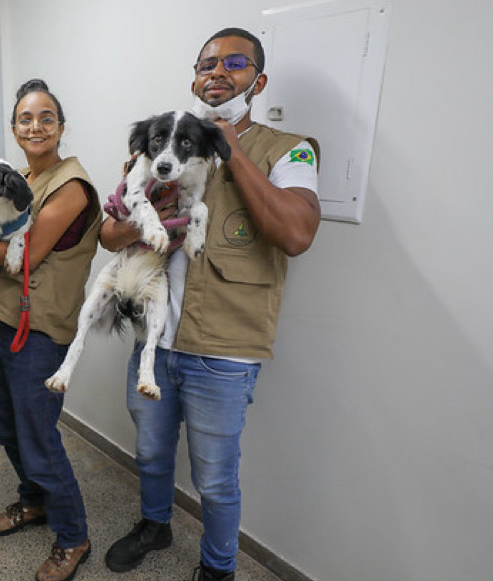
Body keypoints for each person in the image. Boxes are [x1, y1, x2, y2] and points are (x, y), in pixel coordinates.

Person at [99, 28, 320, 581]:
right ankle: (155, 524)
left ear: (259, 80)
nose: (217, 72)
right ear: (193, 78)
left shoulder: (289, 148)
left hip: (222, 352)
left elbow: (295, 233)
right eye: (206, 64)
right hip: (155, 341)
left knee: (215, 478)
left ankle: (218, 567)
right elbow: (107, 233)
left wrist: (229, 147)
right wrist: (146, 217)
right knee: (149, 454)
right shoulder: (165, 145)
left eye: (235, 62)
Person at [0, 78, 102, 581]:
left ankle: (73, 535)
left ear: (61, 126)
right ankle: (33, 501)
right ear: (14, 128)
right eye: (25, 119)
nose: (35, 126)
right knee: (8, 428)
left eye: (46, 117)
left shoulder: (72, 187)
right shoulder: (18, 177)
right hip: (0, 317)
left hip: (41, 331)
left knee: (38, 436)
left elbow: (27, 256)